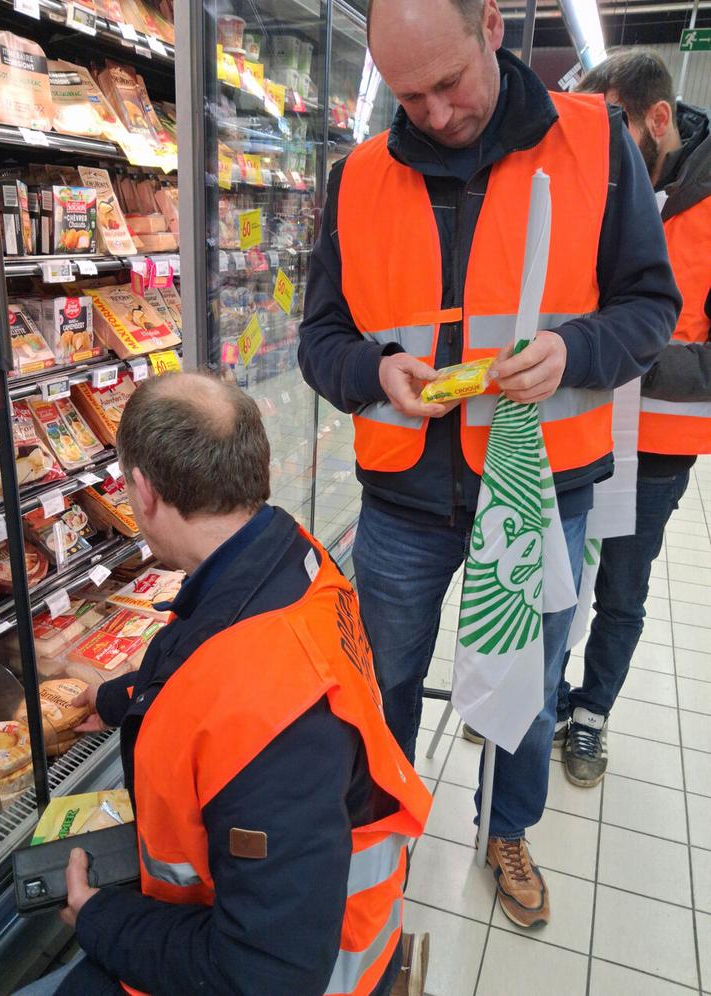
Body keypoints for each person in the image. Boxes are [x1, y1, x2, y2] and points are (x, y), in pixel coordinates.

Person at [298, 0, 681, 928]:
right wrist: (373, 369)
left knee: (531, 679)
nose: (431, 112)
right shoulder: (357, 177)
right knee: (384, 673)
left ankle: (505, 828)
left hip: (542, 484)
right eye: (407, 93)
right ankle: (375, 823)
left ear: (492, 28)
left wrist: (574, 351)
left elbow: (648, 304)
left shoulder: (593, 141)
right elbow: (320, 337)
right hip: (403, 494)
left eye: (448, 82)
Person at [18, 373, 431, 996]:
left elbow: (268, 974)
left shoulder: (273, 725)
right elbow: (209, 675)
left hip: (317, 973)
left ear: (143, 492)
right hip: (263, 905)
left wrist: (102, 920)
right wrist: (118, 699)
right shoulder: (288, 558)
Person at [556, 50, 711, 787]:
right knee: (555, 576)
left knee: (621, 585)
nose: (602, 146)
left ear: (657, 119)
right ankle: (546, 699)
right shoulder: (598, 180)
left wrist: (631, 353)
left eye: (613, 126)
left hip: (656, 444)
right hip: (576, 426)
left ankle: (590, 714)